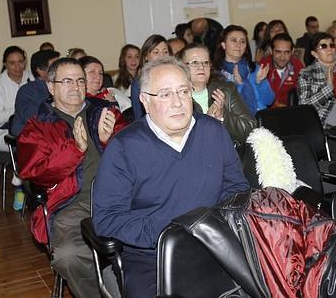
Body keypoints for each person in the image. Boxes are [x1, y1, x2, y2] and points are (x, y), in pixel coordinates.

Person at [92, 57, 248, 298]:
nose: (177, 103)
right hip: (153, 257)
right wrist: (166, 232)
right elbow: (107, 218)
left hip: (214, 246)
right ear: (145, 100)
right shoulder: (124, 147)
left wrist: (215, 224)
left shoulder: (213, 131)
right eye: (165, 94)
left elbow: (237, 188)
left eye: (183, 91)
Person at [18, 58, 127, 298]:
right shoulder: (38, 127)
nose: (75, 86)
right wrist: (75, 150)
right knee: (68, 256)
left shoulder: (105, 112)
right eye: (66, 81)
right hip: (72, 204)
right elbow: (35, 173)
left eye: (80, 80)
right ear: (51, 87)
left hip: (120, 198)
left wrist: (111, 142)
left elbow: (135, 157)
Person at [177, 43, 256, 145]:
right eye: (194, 62)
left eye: (205, 62)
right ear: (181, 67)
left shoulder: (226, 90)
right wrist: (207, 122)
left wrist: (223, 116)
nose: (201, 67)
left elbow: (251, 129)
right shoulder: (175, 97)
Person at [0, 46, 33, 210]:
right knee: (25, 144)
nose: (18, 67)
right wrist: (20, 109)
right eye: (12, 63)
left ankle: (39, 185)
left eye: (21, 62)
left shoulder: (31, 78)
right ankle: (20, 187)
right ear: (5, 64)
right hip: (5, 135)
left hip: (30, 130)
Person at [214, 25, 274, 115]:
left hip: (260, 119)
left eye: (242, 41)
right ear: (223, 45)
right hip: (235, 123)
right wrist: (238, 85)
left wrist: (260, 83)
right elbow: (226, 107)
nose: (238, 45)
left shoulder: (254, 68)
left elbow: (269, 101)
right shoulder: (216, 73)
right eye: (234, 40)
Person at [11, 49, 60, 136]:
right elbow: (34, 117)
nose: (60, 70)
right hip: (32, 138)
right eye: (55, 67)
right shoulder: (26, 91)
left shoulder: (62, 86)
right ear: (40, 71)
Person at [298, 32, 336, 127]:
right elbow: (305, 107)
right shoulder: (306, 73)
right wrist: (329, 87)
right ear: (315, 53)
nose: (329, 49)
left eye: (332, 45)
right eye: (323, 46)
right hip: (322, 127)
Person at [130, 34, 171, 119]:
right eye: (156, 52)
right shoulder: (138, 83)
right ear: (146, 57)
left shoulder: (176, 78)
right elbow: (139, 117)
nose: (162, 56)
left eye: (165, 52)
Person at [259, 33, 304, 107]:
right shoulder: (262, 67)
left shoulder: (297, 65)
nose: (282, 57)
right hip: (267, 112)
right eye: (278, 52)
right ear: (271, 50)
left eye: (286, 52)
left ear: (292, 51)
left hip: (291, 111)